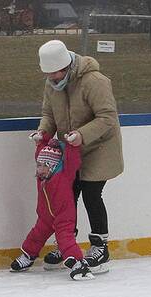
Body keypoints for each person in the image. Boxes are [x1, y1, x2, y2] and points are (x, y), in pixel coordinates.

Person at [30, 39, 123, 273]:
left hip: (98, 148)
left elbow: (107, 117)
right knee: (66, 197)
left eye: (56, 74)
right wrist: (43, 131)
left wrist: (82, 134)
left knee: (92, 194)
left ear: (67, 66)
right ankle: (66, 244)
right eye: (49, 75)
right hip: (70, 151)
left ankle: (100, 248)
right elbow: (48, 113)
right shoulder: (52, 84)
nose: (53, 79)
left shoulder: (95, 81)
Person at [10, 133, 93, 280]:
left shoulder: (64, 175)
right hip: (45, 216)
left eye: (44, 166)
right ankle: (28, 256)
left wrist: (71, 145)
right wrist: (40, 142)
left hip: (63, 216)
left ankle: (79, 265)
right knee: (35, 236)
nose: (39, 169)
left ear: (53, 166)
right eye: (38, 166)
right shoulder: (41, 178)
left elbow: (72, 161)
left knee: (65, 240)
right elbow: (40, 154)